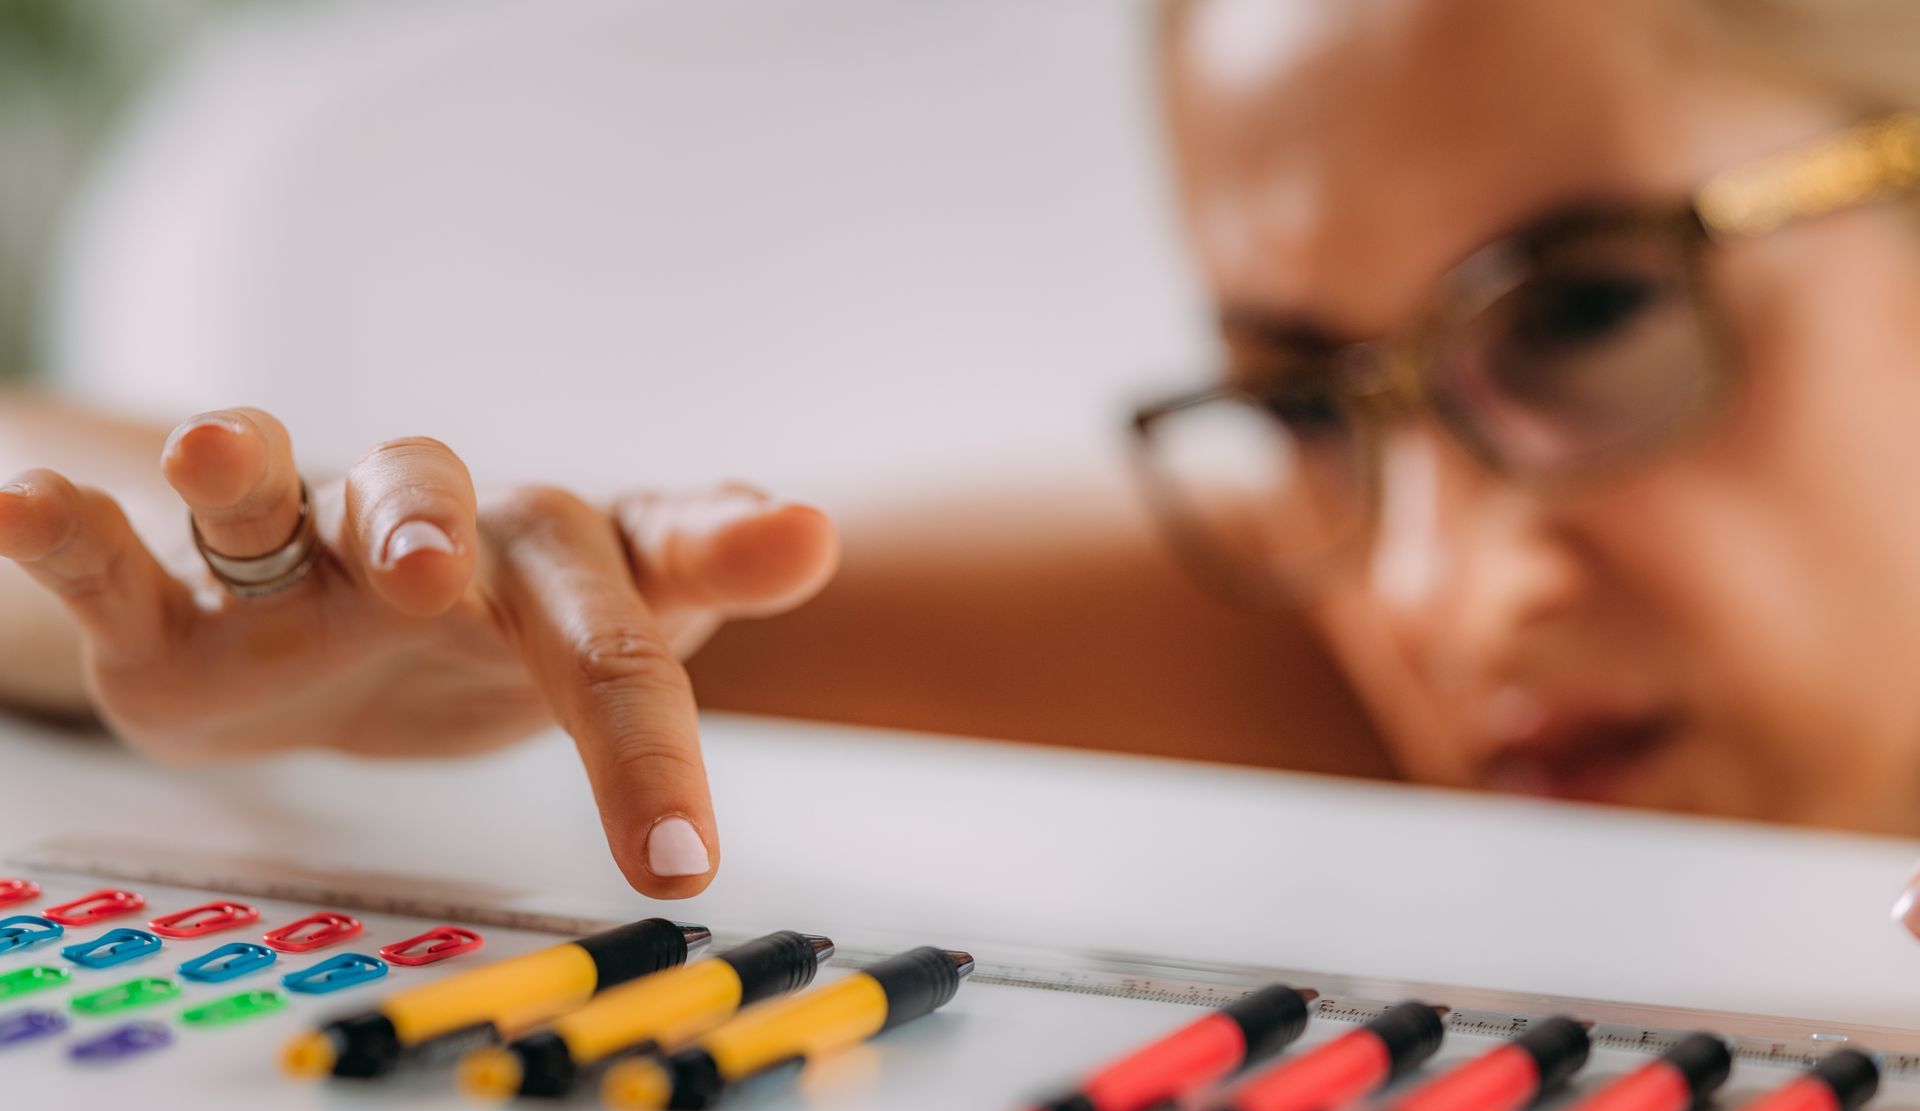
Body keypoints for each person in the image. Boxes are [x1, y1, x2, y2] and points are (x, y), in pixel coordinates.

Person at [8, 0, 1920, 928]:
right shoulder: (1291, 652)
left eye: (1591, 319)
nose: (1438, 587)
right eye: (1311, 405)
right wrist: (340, 580)